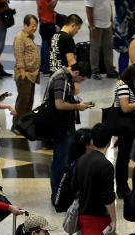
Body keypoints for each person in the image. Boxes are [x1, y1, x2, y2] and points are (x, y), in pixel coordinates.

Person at [74, 123, 117, 235]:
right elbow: (108, 196)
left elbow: (73, 187)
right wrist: (114, 218)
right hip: (99, 217)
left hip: (83, 215)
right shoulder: (105, 165)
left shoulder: (82, 160)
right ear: (109, 142)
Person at [45, 60, 91, 196]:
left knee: (65, 157)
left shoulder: (64, 76)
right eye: (81, 78)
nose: (81, 81)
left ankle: (62, 190)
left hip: (63, 123)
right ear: (76, 72)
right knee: (61, 159)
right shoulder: (62, 79)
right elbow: (59, 104)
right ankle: (58, 193)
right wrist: (78, 106)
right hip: (60, 125)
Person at [110, 64, 135, 197]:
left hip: (128, 127)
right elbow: (125, 108)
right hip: (128, 128)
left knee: (125, 157)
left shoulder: (123, 85)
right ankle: (122, 187)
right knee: (124, 158)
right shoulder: (123, 87)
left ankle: (125, 187)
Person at [13, 15, 40, 129]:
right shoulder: (20, 38)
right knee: (23, 102)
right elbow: (19, 56)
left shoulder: (29, 37)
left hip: (32, 75)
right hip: (25, 75)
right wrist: (23, 72)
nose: (35, 28)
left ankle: (24, 125)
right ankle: (17, 126)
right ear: (25, 25)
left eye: (36, 26)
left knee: (29, 101)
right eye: (32, 25)